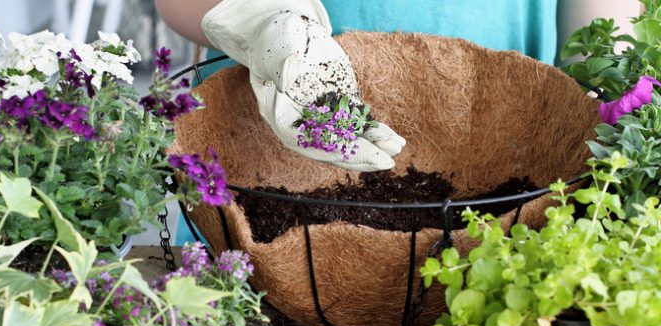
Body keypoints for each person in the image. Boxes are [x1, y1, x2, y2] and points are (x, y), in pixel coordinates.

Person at [156, 0, 640, 244]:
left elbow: (602, 24)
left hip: (503, 195)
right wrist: (265, 25)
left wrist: (606, 97)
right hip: (263, 161)